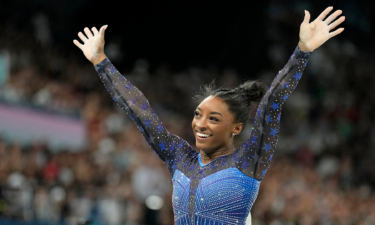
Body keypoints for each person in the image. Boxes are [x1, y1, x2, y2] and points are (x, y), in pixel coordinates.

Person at [73, 7, 345, 225]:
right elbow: (140, 112)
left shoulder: (248, 161)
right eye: (198, 115)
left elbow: (271, 103)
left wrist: (302, 51)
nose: (200, 124)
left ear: (236, 127)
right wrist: (101, 61)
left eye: (214, 119)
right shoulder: (180, 157)